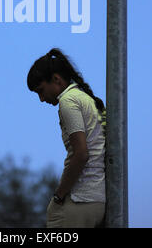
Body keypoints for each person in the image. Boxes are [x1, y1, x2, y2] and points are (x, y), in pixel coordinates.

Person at [27, 48, 106, 228]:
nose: (41, 99)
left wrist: (59, 195)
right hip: (96, 199)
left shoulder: (68, 101)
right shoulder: (85, 98)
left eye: (41, 90)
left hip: (79, 201)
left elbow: (81, 154)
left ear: (56, 79)